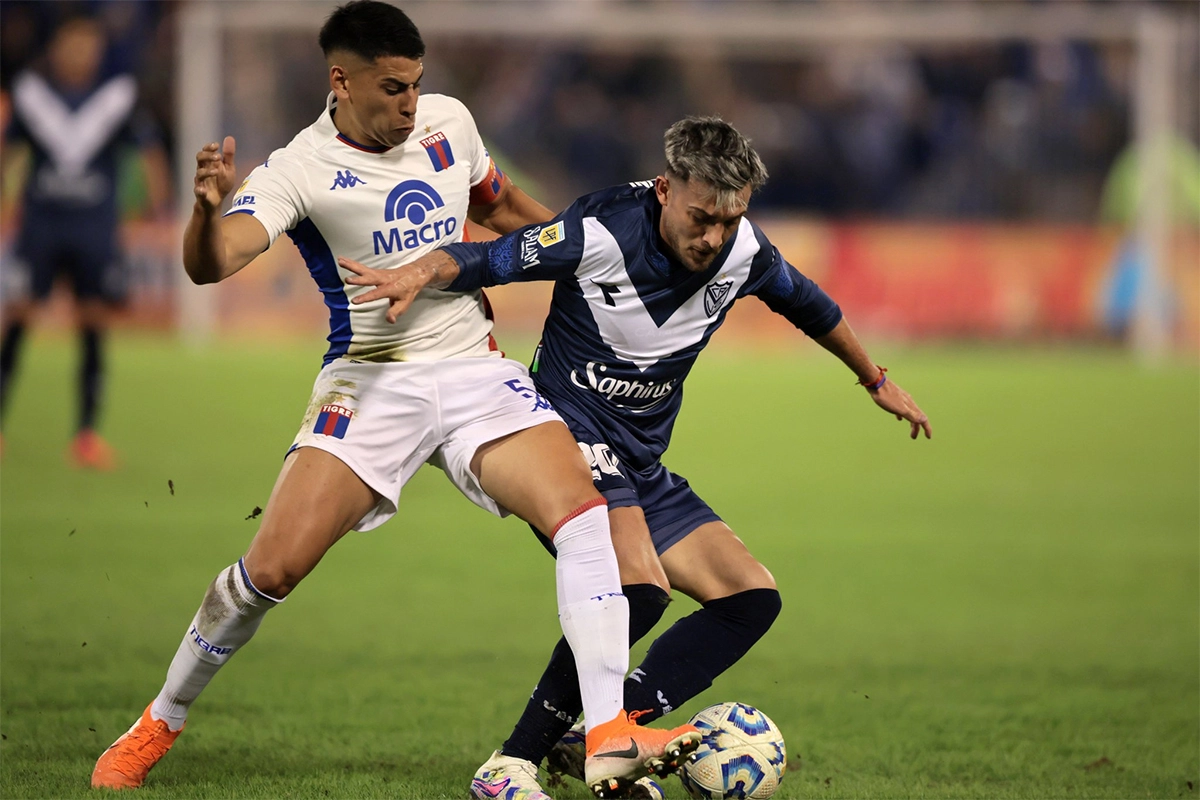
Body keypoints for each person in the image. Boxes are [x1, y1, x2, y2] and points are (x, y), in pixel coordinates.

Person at [89, 4, 698, 796]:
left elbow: (503, 207)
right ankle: (159, 720)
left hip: (476, 371)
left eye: (417, 85)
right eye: (393, 89)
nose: (411, 105)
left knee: (583, 516)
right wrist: (207, 213)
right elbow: (214, 265)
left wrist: (595, 259)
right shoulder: (297, 169)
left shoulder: (450, 123)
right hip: (370, 383)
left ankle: (609, 730)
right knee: (270, 570)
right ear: (341, 81)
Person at [340, 115, 932, 799]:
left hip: (641, 464)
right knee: (639, 589)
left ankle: (598, 732)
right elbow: (489, 260)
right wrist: (420, 271)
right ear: (664, 190)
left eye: (730, 219)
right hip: (565, 438)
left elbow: (810, 303)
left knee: (750, 598)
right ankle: (510, 766)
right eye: (702, 216)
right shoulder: (600, 229)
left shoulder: (744, 252)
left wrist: (875, 379)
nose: (713, 236)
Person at [0, 15, 170, 467]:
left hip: (94, 228)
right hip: (40, 225)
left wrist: (158, 205)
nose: (80, 53)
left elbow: (148, 150)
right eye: (72, 43)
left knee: (93, 321)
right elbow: (9, 150)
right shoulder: (32, 95)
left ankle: (86, 436)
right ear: (56, 46)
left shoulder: (117, 98)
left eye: (88, 44)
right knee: (17, 316)